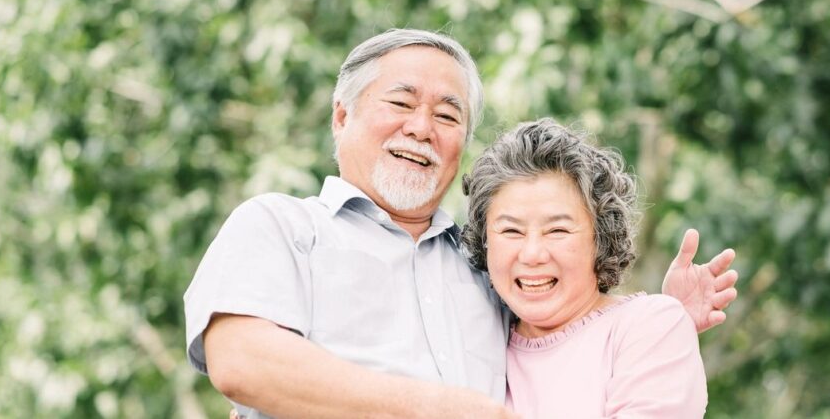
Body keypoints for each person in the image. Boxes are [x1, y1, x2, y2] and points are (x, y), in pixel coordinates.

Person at [183, 29, 738, 418]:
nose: (422, 128)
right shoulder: (283, 226)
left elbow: (563, 329)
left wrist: (656, 320)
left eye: (447, 115)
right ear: (341, 115)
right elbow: (242, 361)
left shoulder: (484, 265)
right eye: (400, 102)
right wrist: (429, 408)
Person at [462, 119, 712, 417]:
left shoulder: (648, 325)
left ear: (600, 237)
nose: (532, 254)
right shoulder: (479, 340)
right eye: (511, 231)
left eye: (557, 231)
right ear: (485, 239)